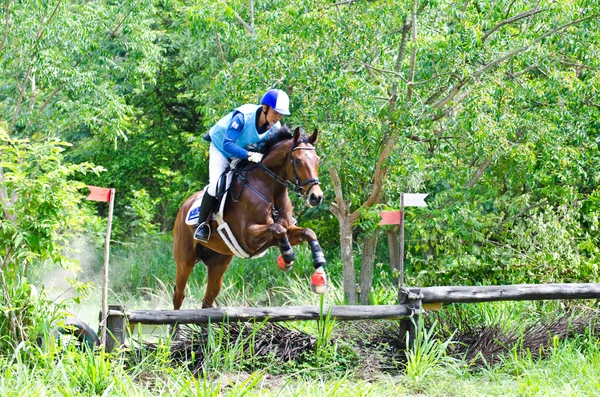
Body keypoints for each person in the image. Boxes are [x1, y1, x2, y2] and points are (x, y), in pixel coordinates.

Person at [194, 88, 291, 242]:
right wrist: (250, 155)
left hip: (245, 153)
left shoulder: (275, 128)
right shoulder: (243, 117)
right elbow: (228, 145)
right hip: (221, 149)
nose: (278, 117)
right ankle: (202, 224)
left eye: (281, 114)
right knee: (215, 184)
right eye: (276, 112)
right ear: (265, 108)